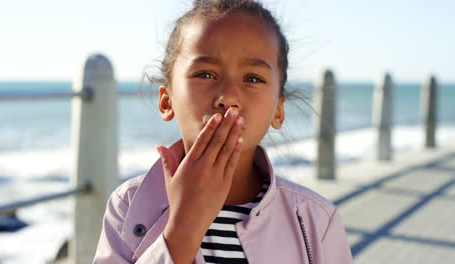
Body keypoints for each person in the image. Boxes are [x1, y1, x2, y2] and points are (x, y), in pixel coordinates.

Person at [93, 0, 353, 263]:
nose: (228, 97)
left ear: (278, 111)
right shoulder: (129, 205)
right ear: (166, 101)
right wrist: (183, 229)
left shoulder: (314, 219)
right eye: (205, 74)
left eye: (253, 78)